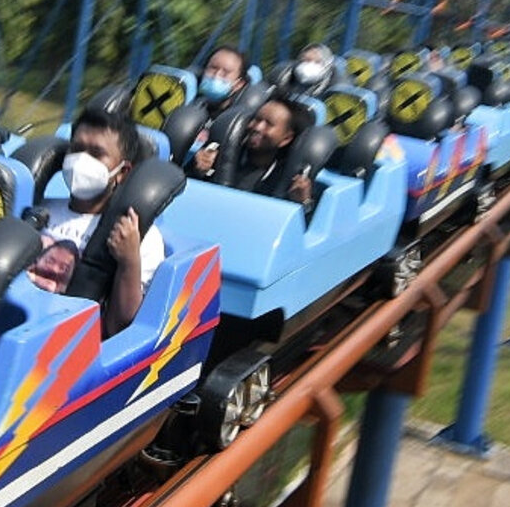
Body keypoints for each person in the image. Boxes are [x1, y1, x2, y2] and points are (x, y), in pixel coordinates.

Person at [26, 106, 165, 336]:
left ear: (122, 172)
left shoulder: (138, 235)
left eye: (96, 153)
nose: (82, 160)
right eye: (77, 149)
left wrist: (129, 261)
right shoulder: (40, 208)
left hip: (72, 346)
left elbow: (120, 328)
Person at [188, 93, 315, 205]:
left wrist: (302, 202)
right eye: (257, 119)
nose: (258, 127)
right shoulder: (220, 155)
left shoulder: (287, 178)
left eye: (268, 124)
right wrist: (198, 171)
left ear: (286, 138)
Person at [197, 44, 250, 118]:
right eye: (213, 68)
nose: (216, 75)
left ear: (238, 84)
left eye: (226, 72)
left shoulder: (232, 119)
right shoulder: (190, 102)